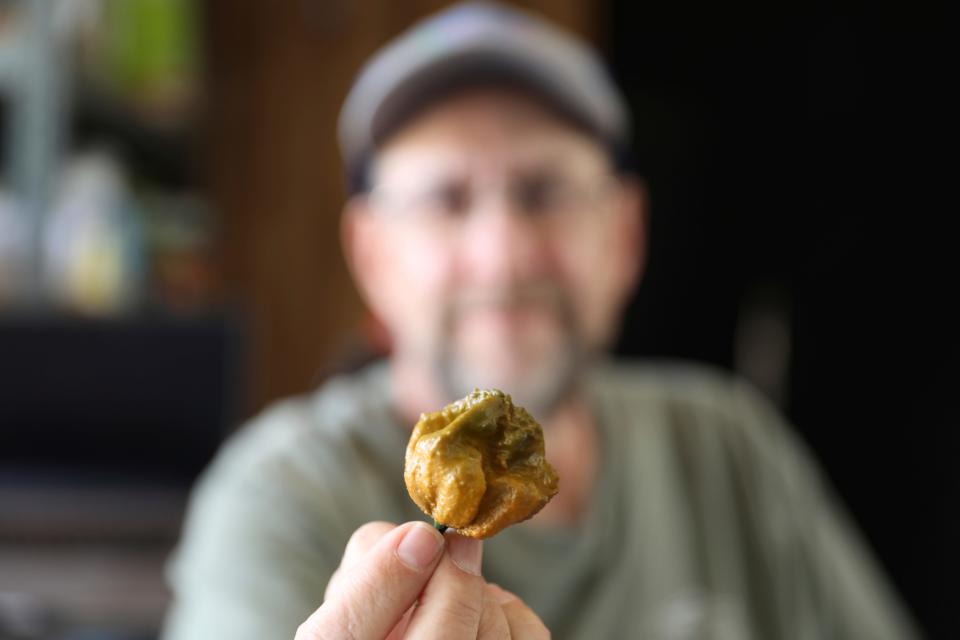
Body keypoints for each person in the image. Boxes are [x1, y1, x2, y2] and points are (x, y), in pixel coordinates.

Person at [161, 3, 919, 639]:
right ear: (372, 255)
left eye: (546, 190)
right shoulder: (279, 497)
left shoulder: (731, 450)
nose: (504, 257)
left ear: (624, 236)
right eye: (446, 199)